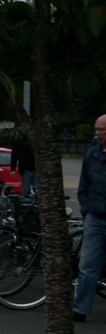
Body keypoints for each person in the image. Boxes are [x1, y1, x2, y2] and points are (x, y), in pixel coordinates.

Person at [70, 114, 106, 321]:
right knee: (87, 265)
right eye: (96, 129)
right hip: (95, 216)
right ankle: (81, 309)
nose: (97, 133)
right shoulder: (91, 154)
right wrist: (87, 210)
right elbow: (83, 186)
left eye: (101, 130)